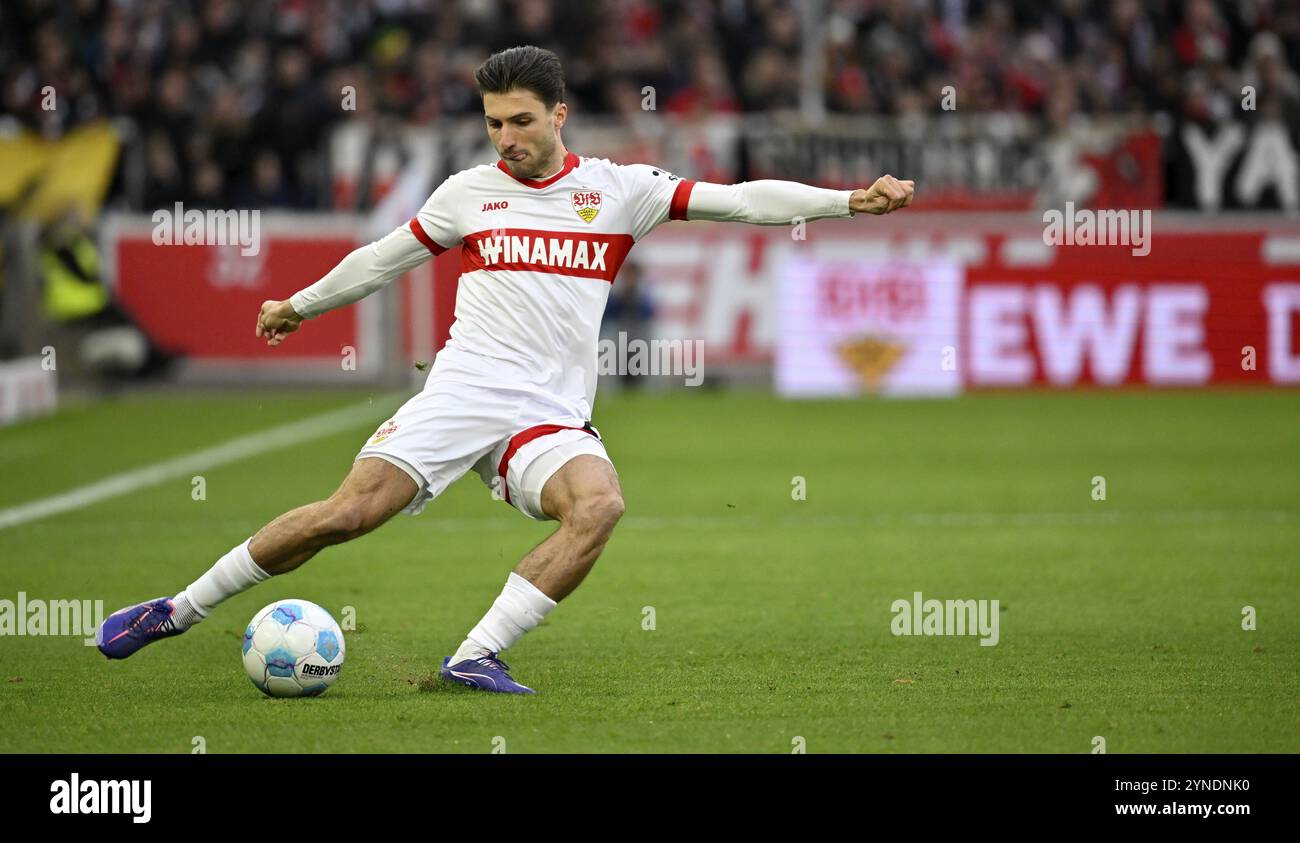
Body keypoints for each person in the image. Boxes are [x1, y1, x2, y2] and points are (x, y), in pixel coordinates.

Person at [96, 45, 914, 693]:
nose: (506, 139)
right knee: (344, 516)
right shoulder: (469, 193)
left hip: (549, 411)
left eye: (520, 121)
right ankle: (176, 609)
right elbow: (382, 260)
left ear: (559, 113)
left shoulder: (620, 190)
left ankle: (475, 656)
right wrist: (299, 304)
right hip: (463, 388)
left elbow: (740, 199)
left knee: (599, 507)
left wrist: (848, 201)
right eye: (493, 123)